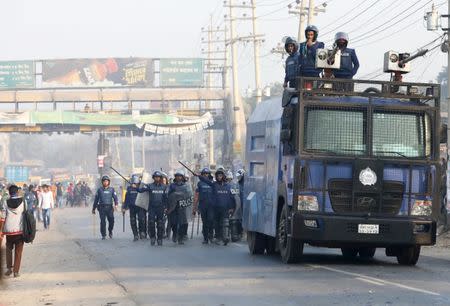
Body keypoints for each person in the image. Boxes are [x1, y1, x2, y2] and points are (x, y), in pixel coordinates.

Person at [195, 167, 236, 246]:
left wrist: (232, 207)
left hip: (225, 209)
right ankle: (217, 237)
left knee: (225, 223)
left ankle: (225, 237)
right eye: (218, 176)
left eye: (220, 175)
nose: (219, 177)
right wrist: (199, 176)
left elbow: (231, 198)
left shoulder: (228, 186)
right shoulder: (214, 185)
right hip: (215, 209)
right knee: (216, 224)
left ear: (223, 176)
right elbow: (206, 181)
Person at [1, 185, 25, 277]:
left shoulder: (5, 202)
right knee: (18, 252)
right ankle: (16, 271)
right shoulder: (23, 202)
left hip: (9, 230)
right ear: (17, 192)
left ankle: (9, 269)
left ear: (9, 192)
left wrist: (1, 230)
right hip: (20, 230)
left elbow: (3, 217)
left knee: (8, 250)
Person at [139, 171, 167, 246]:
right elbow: (140, 190)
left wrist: (166, 207)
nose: (157, 178)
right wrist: (137, 185)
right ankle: (153, 237)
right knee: (151, 223)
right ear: (153, 178)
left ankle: (160, 238)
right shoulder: (149, 186)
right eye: (155, 177)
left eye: (158, 177)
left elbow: (166, 198)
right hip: (152, 208)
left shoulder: (164, 187)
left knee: (160, 224)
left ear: (160, 178)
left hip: (160, 208)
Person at [167, 170, 193, 245]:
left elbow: (189, 196)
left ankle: (180, 238)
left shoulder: (186, 186)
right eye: (177, 176)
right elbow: (168, 195)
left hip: (183, 207)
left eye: (180, 176)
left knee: (182, 223)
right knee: (174, 223)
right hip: (173, 207)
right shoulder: (172, 185)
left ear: (183, 177)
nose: (178, 177)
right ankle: (175, 234)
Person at [92, 175, 119, 240]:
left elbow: (115, 198)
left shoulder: (112, 189)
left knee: (111, 221)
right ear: (102, 182)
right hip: (102, 208)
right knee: (103, 222)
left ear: (109, 182)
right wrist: (93, 208)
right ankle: (103, 234)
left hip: (110, 208)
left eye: (106, 181)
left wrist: (116, 204)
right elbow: (96, 199)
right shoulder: (99, 190)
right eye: (104, 181)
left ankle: (110, 231)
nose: (105, 182)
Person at [193, 167, 215, 244]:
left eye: (207, 174)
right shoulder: (199, 184)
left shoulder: (213, 183)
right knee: (205, 222)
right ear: (202, 174)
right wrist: (195, 208)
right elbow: (196, 196)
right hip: (202, 205)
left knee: (211, 220)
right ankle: (205, 238)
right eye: (204, 174)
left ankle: (211, 236)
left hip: (211, 206)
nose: (206, 175)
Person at [123, 175, 146, 241]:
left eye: (136, 183)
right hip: (132, 207)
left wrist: (136, 188)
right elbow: (126, 199)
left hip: (139, 207)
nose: (135, 184)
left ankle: (141, 232)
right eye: (134, 183)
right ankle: (135, 234)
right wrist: (124, 207)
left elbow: (143, 193)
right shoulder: (129, 189)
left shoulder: (141, 188)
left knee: (141, 220)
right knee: (133, 221)